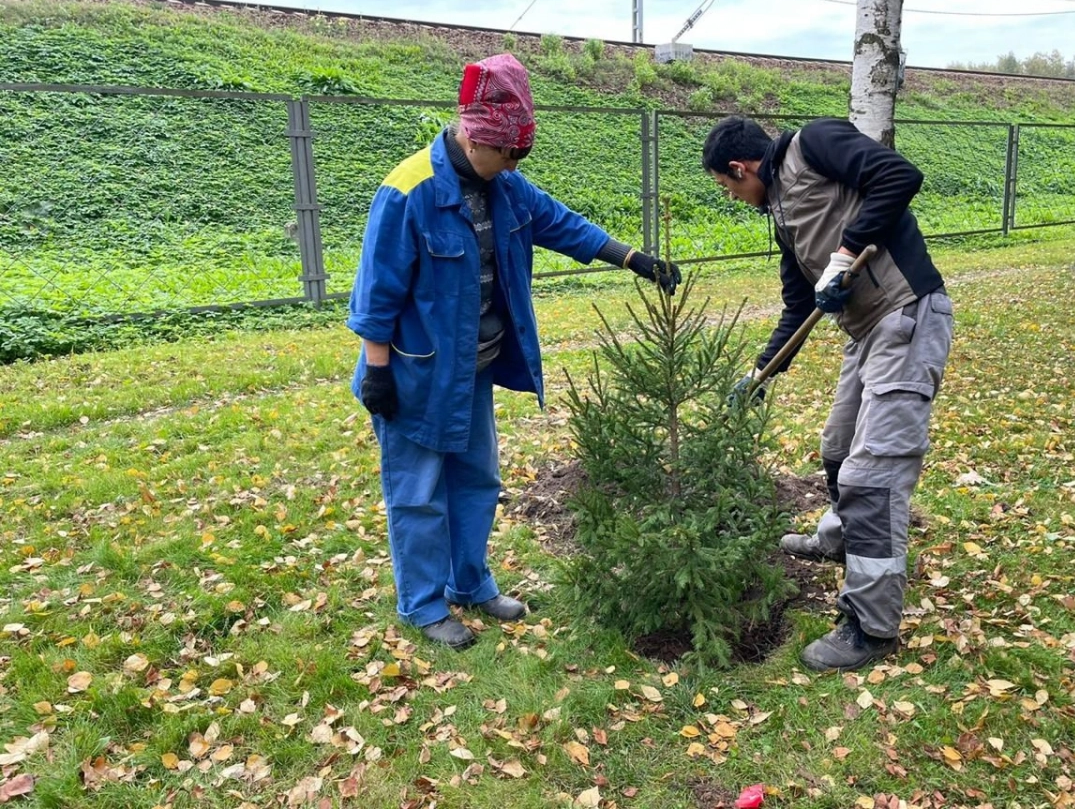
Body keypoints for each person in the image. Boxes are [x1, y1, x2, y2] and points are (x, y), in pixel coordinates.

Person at [348, 54, 681, 650]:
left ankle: (470, 583)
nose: (514, 165)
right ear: (475, 136)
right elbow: (376, 291)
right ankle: (423, 605)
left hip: (472, 371)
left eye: (519, 157)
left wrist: (632, 257)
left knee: (477, 478)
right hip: (413, 375)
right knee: (418, 492)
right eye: (508, 154)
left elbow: (563, 224)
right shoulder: (408, 192)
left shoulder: (505, 185)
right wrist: (377, 372)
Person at [702, 115, 952, 672]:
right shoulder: (783, 217)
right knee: (838, 451)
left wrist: (847, 251)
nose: (734, 196)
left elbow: (898, 175)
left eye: (727, 186)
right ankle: (839, 539)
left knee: (873, 476)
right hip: (865, 332)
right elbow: (798, 307)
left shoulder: (813, 144)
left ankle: (871, 625)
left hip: (907, 314)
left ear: (740, 169)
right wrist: (760, 374)